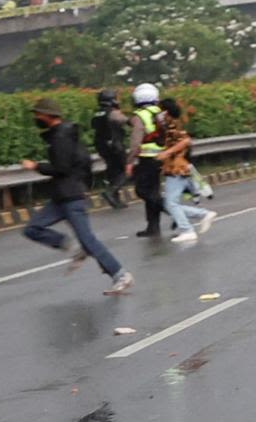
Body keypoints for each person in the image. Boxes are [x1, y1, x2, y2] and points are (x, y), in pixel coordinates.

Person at [19, 98, 132, 295]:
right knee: (32, 228)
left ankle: (120, 275)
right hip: (61, 196)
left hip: (70, 196)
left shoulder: (62, 137)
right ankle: (70, 246)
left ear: (48, 115)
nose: (36, 117)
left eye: (38, 114)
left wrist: (36, 166)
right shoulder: (62, 135)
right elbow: (84, 162)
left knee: (88, 240)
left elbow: (62, 167)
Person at [155, 98, 218, 244]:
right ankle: (203, 215)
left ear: (166, 111)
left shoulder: (174, 125)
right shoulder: (170, 124)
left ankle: (187, 230)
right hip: (176, 167)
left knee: (170, 203)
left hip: (177, 168)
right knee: (168, 204)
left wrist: (167, 152)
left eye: (161, 110)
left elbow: (186, 141)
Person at [129, 82, 168, 239]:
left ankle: (173, 211)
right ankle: (153, 227)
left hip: (147, 159)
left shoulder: (140, 116)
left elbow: (135, 142)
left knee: (142, 190)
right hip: (162, 157)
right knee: (153, 191)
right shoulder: (161, 113)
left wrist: (129, 161)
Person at [91, 87, 132, 209]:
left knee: (113, 171)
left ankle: (115, 199)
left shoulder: (98, 114)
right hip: (115, 145)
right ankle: (111, 191)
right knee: (126, 170)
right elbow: (129, 122)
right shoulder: (113, 113)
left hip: (101, 146)